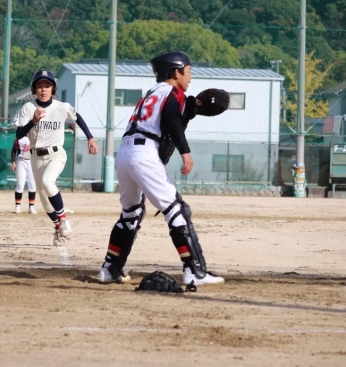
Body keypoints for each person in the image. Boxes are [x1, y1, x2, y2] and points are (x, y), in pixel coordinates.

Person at [97, 51, 224, 286]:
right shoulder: (173, 92)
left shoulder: (152, 93)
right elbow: (172, 118)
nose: (191, 77)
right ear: (176, 73)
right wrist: (185, 151)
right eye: (189, 71)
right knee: (177, 210)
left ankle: (110, 268)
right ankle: (194, 271)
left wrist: (193, 108)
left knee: (131, 212)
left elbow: (174, 114)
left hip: (125, 152)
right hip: (144, 153)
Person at [15, 69, 98, 246]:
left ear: (53, 89)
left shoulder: (62, 107)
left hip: (56, 153)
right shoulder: (28, 108)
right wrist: (33, 122)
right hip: (36, 157)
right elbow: (19, 133)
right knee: (45, 203)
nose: (43, 89)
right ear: (34, 89)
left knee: (48, 181)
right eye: (40, 86)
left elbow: (77, 118)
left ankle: (63, 218)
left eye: (47, 86)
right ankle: (58, 227)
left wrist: (90, 137)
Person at [10, 135, 37, 214]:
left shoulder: (34, 138)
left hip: (32, 161)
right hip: (21, 160)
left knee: (32, 184)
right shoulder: (19, 139)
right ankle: (17, 205)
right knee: (20, 184)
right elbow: (14, 151)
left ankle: (31, 206)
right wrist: (13, 162)